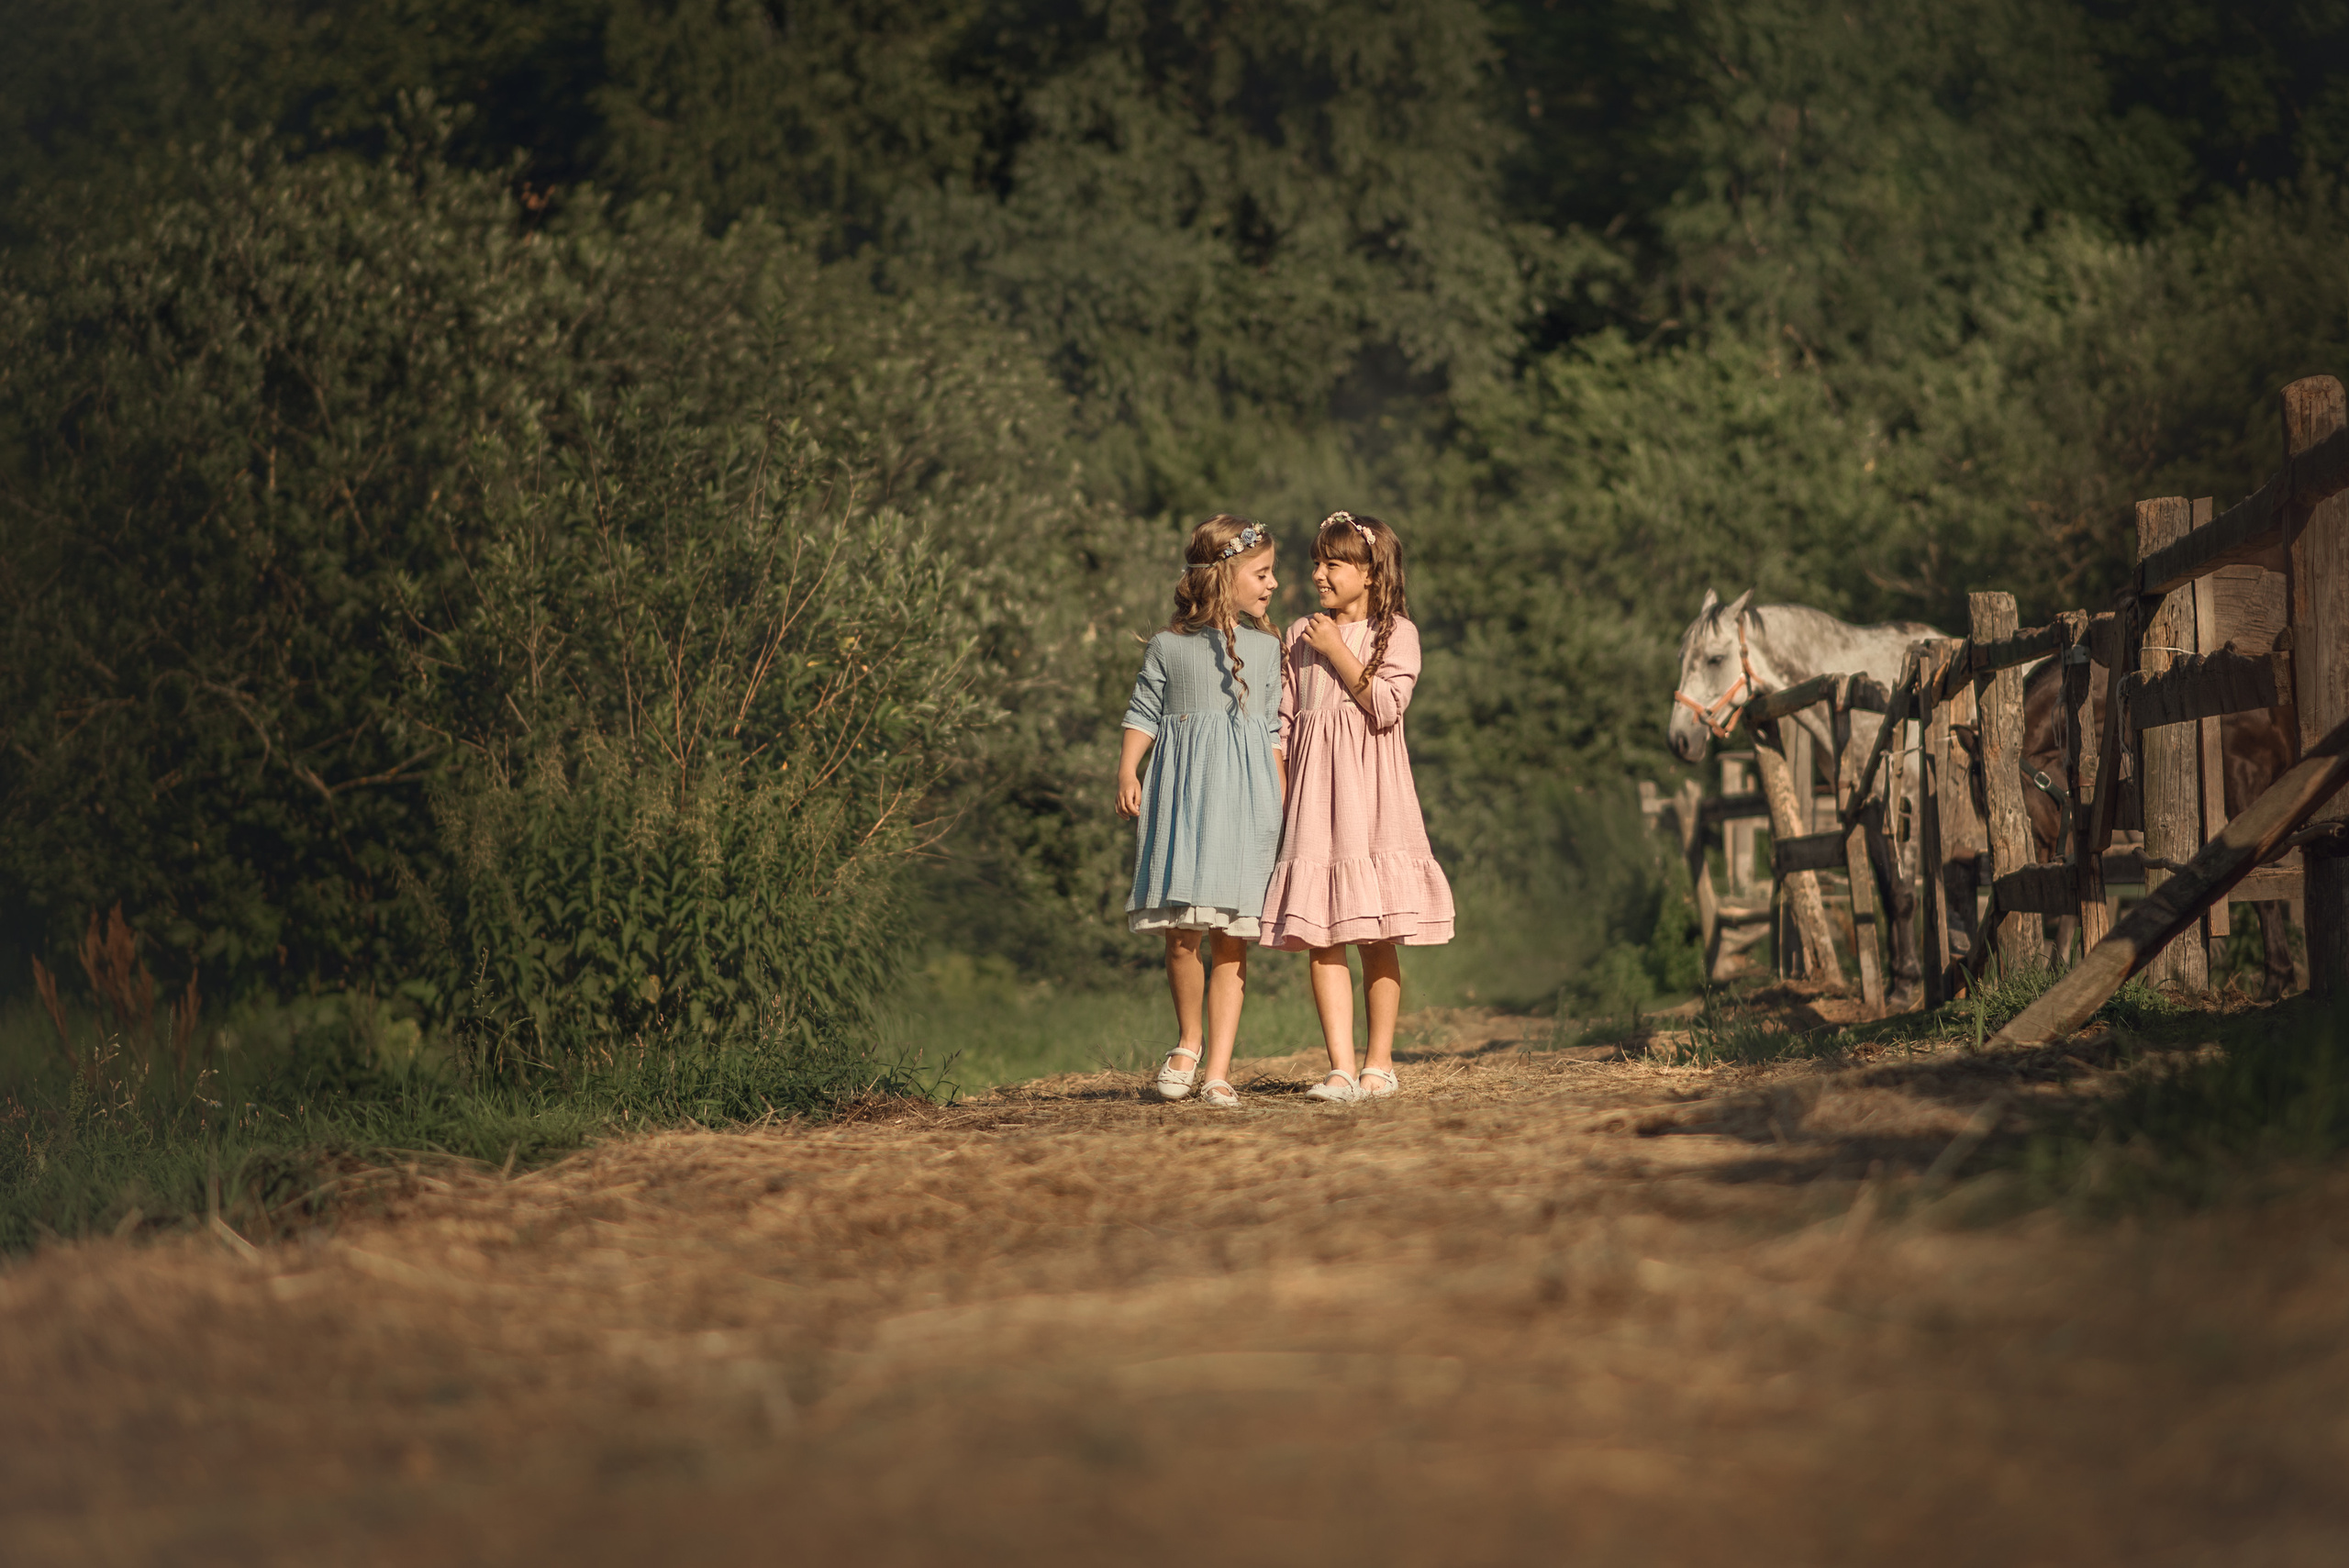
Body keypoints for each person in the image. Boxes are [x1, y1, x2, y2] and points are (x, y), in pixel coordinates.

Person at [1259, 511, 1453, 1101]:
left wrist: (1338, 651)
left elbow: (1387, 707)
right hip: (1316, 802)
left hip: (1373, 800)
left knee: (1376, 934)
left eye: (1333, 563)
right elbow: (1282, 723)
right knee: (1323, 933)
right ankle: (1340, 1067)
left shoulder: (1397, 633)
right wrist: (1283, 792)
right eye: (1316, 562)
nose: (1318, 573)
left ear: (1369, 573)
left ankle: (1379, 1064)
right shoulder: (1297, 634)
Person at [1117, 514, 1285, 1108]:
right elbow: (1143, 710)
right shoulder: (1170, 646)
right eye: (1261, 574)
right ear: (1224, 576)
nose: (1271, 586)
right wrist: (1128, 767)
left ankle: (1218, 1069)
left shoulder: (1267, 650)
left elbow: (1272, 732)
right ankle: (1188, 1042)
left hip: (1245, 804)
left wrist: (1281, 805)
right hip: (1186, 803)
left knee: (1231, 938)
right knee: (1184, 934)